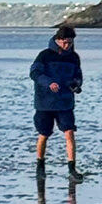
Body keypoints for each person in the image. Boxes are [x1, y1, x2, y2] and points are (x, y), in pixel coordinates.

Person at [30, 25, 86, 181]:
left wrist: (76, 84)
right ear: (58, 40)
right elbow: (34, 73)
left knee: (69, 133)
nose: (67, 46)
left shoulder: (74, 57)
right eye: (65, 42)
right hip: (45, 103)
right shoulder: (44, 55)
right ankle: (40, 167)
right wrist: (49, 83)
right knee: (44, 134)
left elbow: (78, 75)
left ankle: (72, 169)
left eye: (70, 43)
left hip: (65, 102)